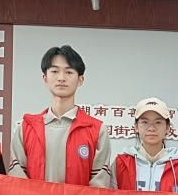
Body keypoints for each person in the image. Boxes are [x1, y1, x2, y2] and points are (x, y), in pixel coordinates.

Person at [8, 45, 111, 186]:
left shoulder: (97, 130)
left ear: (80, 80)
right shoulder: (25, 128)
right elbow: (17, 181)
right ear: (45, 78)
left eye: (69, 72)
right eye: (55, 71)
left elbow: (99, 186)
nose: (61, 78)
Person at [110, 97, 178, 192]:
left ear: (167, 128)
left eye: (158, 122)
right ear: (136, 127)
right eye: (145, 122)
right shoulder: (121, 164)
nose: (151, 128)